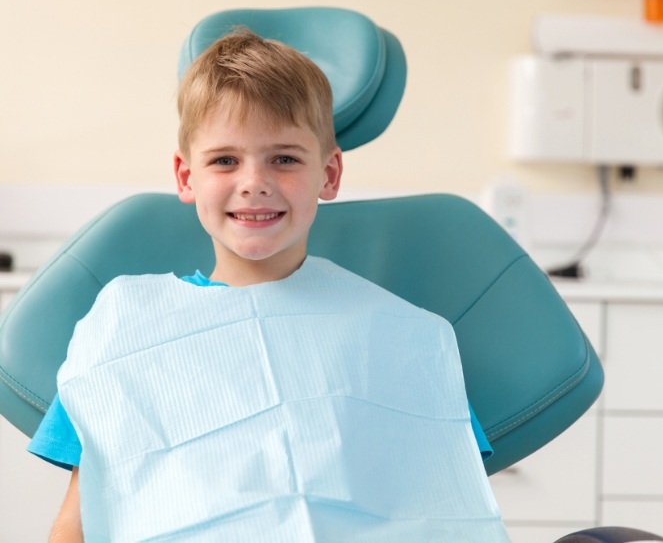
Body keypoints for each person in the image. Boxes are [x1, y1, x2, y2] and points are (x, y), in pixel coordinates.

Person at [28, 27, 509, 542]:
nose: (254, 181)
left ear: (329, 174)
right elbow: (79, 520)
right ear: (186, 177)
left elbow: (448, 510)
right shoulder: (126, 331)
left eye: (284, 158)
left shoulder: (402, 339)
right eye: (225, 160)